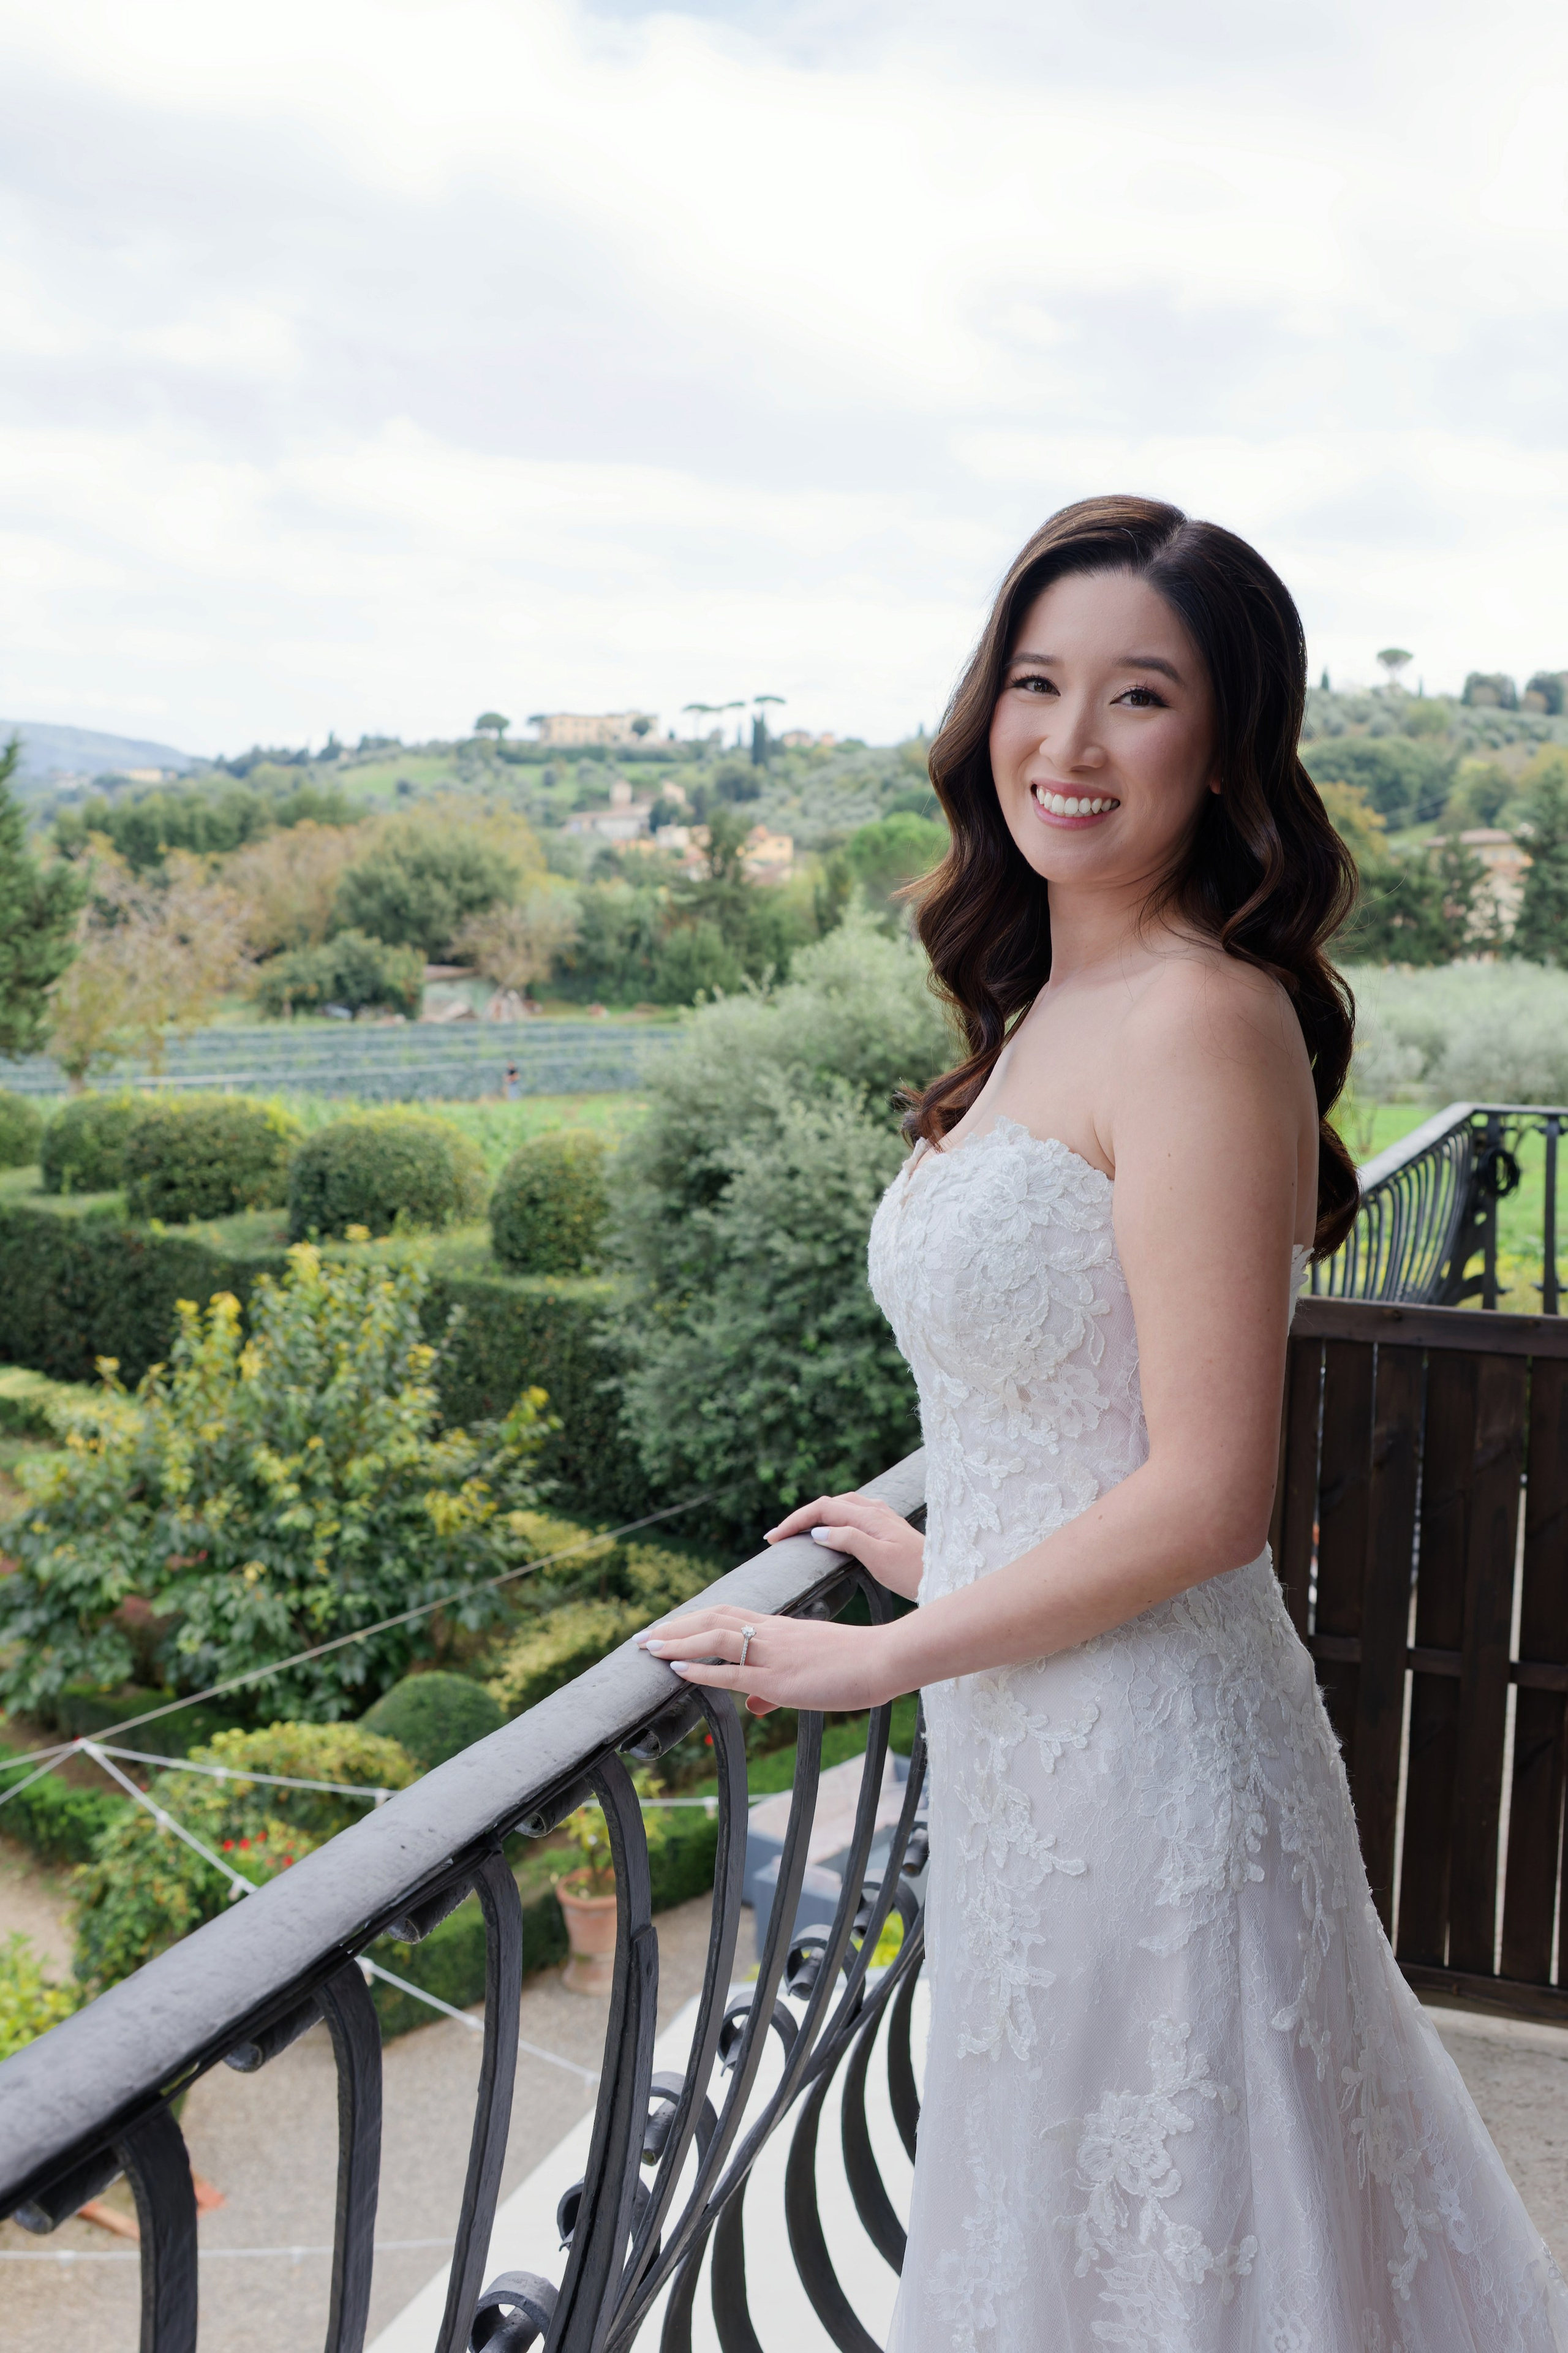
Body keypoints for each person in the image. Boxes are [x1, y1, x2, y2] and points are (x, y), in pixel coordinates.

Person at [639, 497, 1568, 2350]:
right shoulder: (1041, 997)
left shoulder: (1204, 1020)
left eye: (1135, 695)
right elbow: (1080, 1401)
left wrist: (890, 1650)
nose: (1067, 743)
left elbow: (1212, 1490)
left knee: (1185, 2249)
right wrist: (943, 1540)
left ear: (1222, 749)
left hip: (1151, 1766)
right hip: (1031, 1744)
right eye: (1036, 683)